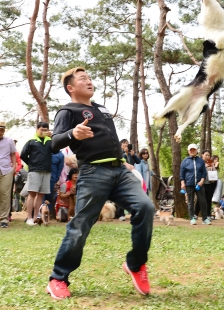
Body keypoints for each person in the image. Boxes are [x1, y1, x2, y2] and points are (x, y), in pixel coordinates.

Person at [46, 66, 154, 299]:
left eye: (90, 78)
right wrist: (72, 135)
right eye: (83, 79)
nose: (89, 81)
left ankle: (135, 265)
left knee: (145, 207)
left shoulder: (101, 109)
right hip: (93, 172)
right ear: (71, 87)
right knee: (82, 224)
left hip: (120, 170)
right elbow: (54, 142)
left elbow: (110, 140)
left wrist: (123, 161)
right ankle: (58, 278)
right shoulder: (68, 111)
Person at [20, 122, 53, 226]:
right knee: (32, 193)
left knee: (41, 194)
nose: (43, 131)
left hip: (46, 171)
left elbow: (56, 151)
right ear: (37, 130)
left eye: (45, 130)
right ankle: (29, 218)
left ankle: (35, 217)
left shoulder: (50, 141)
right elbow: (23, 155)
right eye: (41, 129)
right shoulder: (31, 141)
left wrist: (53, 138)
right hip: (35, 170)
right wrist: (32, 164)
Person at [180, 144, 210, 225]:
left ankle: (205, 219)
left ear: (197, 151)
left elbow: (204, 172)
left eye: (194, 150)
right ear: (188, 151)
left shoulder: (200, 161)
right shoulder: (185, 161)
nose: (192, 151)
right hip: (189, 184)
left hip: (199, 184)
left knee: (202, 201)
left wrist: (202, 181)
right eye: (191, 150)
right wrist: (183, 183)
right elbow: (182, 174)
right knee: (190, 202)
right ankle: (192, 218)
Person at [0, 122, 16, 228]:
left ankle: (4, 219)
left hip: (5, 170)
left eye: (2, 130)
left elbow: (13, 154)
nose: (0, 132)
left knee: (5, 194)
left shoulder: (9, 141)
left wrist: (13, 167)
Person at [44, 150, 64, 219]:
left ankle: (49, 214)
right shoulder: (45, 150)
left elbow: (60, 169)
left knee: (50, 196)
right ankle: (40, 214)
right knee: (41, 196)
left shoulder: (60, 155)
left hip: (52, 178)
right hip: (43, 176)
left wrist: (55, 179)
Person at [202, 150, 217, 219]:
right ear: (202, 155)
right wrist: (205, 166)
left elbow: (214, 172)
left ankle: (208, 215)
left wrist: (213, 166)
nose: (207, 157)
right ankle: (198, 214)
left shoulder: (211, 162)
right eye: (206, 155)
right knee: (202, 200)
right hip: (202, 184)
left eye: (209, 155)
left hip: (211, 183)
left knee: (209, 200)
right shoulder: (200, 162)